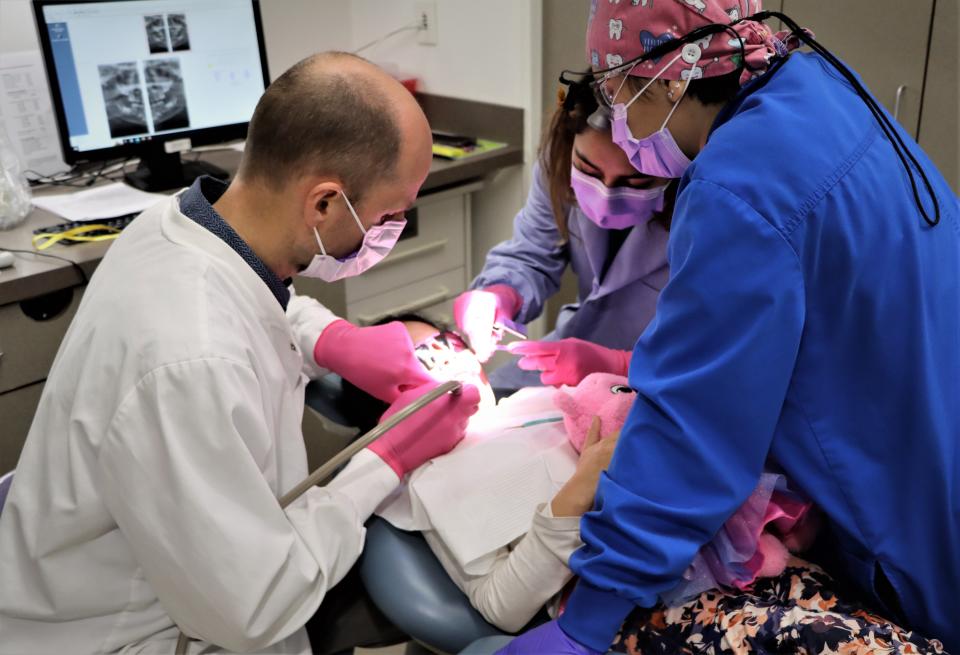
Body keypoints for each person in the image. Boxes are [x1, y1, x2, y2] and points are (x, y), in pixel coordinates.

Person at [501, 1, 960, 653]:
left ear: (664, 82)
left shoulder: (739, 188)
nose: (618, 117)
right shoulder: (813, 87)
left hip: (904, 496)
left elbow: (691, 428)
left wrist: (590, 617)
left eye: (617, 92)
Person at [0, 52, 480, 654]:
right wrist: (388, 459)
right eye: (388, 216)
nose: (389, 231)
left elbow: (249, 292)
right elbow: (255, 608)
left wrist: (331, 339)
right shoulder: (190, 359)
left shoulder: (178, 222)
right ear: (325, 203)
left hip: (158, 561)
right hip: (135, 634)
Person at [453, 78, 674, 393]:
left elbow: (716, 351)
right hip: (574, 350)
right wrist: (501, 294)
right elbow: (532, 254)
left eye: (636, 182)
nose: (606, 196)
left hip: (659, 379)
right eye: (588, 170)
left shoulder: (709, 209)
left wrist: (617, 364)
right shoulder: (557, 167)